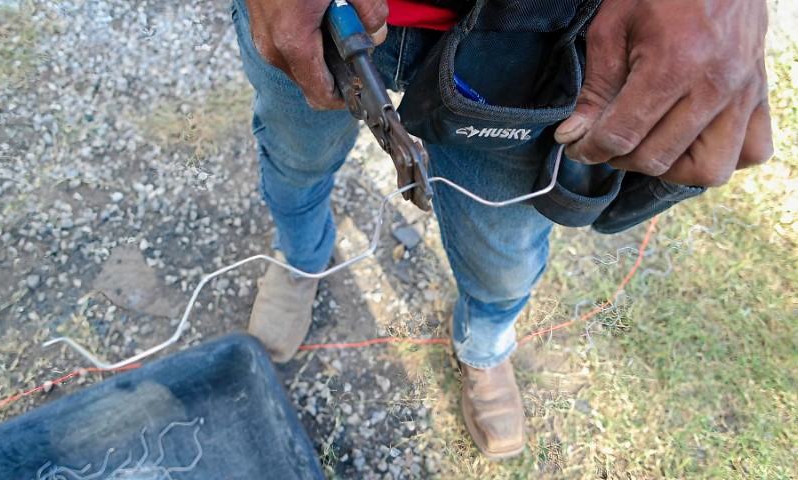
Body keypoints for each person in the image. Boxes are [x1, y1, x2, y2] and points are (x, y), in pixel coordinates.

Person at [231, 0, 772, 460]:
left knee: (503, 248)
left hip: (532, 32)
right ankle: (299, 258)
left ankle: (484, 346)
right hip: (316, 15)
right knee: (295, 162)